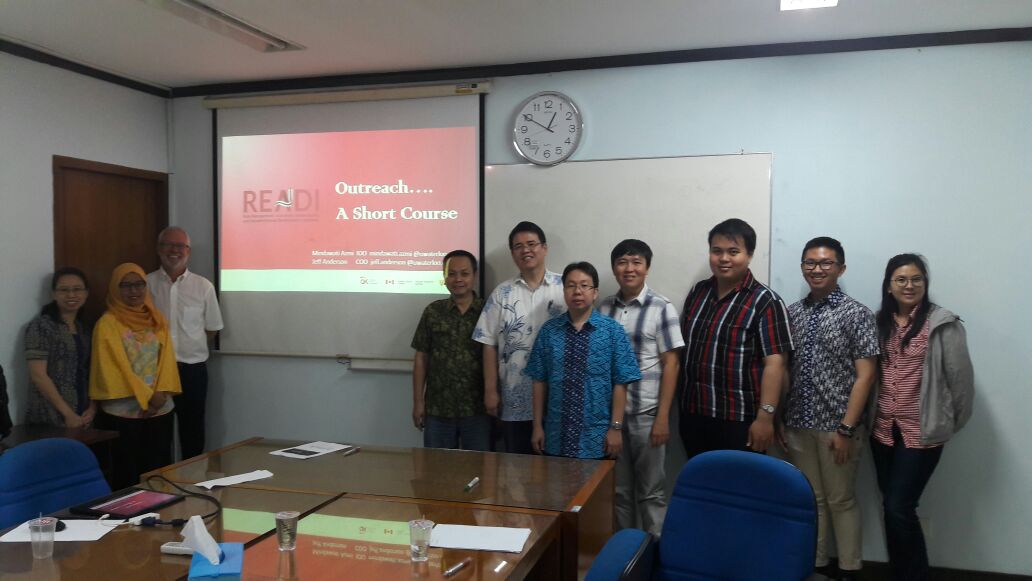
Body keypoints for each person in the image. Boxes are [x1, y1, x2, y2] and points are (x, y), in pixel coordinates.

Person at [869, 254, 974, 581]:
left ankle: (915, 575)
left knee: (899, 506)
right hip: (882, 430)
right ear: (889, 286)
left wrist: (946, 423)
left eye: (916, 279)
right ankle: (901, 572)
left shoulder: (942, 324)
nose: (909, 285)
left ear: (925, 284)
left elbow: (961, 383)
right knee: (891, 507)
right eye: (901, 279)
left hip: (922, 432)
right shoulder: (878, 322)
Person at [782, 237, 879, 581]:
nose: (817, 269)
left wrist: (847, 429)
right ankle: (818, 564)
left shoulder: (857, 314)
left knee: (841, 500)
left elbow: (866, 376)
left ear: (841, 268)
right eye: (810, 262)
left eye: (825, 263)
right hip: (798, 423)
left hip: (838, 428)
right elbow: (784, 369)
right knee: (813, 500)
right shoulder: (792, 313)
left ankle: (850, 569)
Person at [679, 218, 793, 458]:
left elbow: (775, 365)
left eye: (733, 252)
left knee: (740, 481)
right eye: (716, 251)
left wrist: (766, 418)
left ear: (749, 255)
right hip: (694, 413)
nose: (723, 258)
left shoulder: (766, 301)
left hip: (741, 420)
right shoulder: (698, 292)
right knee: (701, 478)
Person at [600, 240, 683, 535]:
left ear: (647, 268)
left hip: (648, 415)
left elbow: (671, 364)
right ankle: (625, 554)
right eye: (622, 262)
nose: (629, 268)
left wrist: (663, 418)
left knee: (651, 493)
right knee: (618, 493)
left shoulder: (661, 307)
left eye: (636, 262)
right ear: (614, 268)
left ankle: (654, 553)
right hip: (612, 417)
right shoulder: (604, 307)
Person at [527, 262, 641, 459]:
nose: (577, 291)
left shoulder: (612, 331)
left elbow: (621, 383)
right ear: (564, 291)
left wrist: (616, 428)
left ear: (595, 292)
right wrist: (537, 426)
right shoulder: (549, 332)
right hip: (556, 435)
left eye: (584, 285)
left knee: (599, 481)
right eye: (571, 286)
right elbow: (539, 381)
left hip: (598, 438)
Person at [473, 221, 566, 454]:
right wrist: (490, 390)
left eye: (531, 244)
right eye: (518, 246)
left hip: (559, 396)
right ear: (512, 252)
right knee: (517, 468)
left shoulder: (566, 287)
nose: (526, 250)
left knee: (558, 468)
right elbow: (488, 343)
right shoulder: (502, 293)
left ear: (544, 248)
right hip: (514, 397)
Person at [90, 262, 181, 489]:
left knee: (158, 474)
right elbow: (114, 368)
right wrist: (147, 397)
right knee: (127, 476)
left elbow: (167, 360)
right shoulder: (107, 324)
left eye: (140, 284)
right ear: (115, 289)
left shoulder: (156, 319)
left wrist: (159, 394)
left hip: (159, 408)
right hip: (124, 412)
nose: (134, 290)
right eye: (126, 285)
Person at [147, 226, 223, 460]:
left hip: (192, 371)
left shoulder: (203, 286)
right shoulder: (146, 285)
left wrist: (189, 348)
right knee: (158, 434)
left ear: (188, 251)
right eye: (168, 245)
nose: (174, 250)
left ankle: (193, 478)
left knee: (193, 433)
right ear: (159, 249)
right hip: (155, 373)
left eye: (180, 246)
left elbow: (211, 329)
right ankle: (160, 481)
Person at [411, 250, 490, 451]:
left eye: (464, 273)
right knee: (437, 467)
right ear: (444, 277)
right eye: (452, 274)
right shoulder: (433, 312)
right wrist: (418, 402)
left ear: (474, 275)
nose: (458, 279)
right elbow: (421, 358)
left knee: (479, 466)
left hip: (478, 409)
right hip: (438, 409)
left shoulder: (488, 310)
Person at [24, 267, 96, 428]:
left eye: (77, 289)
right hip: (49, 415)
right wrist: (68, 414)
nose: (71, 295)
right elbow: (38, 375)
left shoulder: (85, 330)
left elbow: (91, 371)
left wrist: (93, 408)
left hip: (83, 414)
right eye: (64, 290)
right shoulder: (41, 326)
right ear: (53, 294)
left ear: (86, 293)